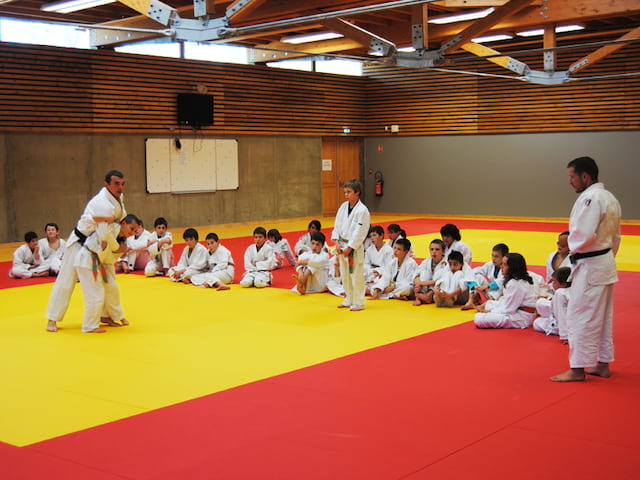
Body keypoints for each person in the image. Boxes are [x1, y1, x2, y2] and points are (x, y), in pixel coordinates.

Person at [551, 156, 621, 382]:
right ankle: (602, 364)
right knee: (602, 316)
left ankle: (577, 369)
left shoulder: (590, 198)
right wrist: (606, 257)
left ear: (585, 176)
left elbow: (583, 234)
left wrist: (570, 249)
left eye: (572, 177)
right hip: (604, 262)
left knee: (579, 314)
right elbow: (616, 236)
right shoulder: (610, 197)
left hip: (590, 265)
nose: (570, 181)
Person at [46, 170, 126, 333]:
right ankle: (52, 319)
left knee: (107, 280)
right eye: (116, 183)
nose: (120, 187)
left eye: (122, 183)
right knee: (66, 281)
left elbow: (118, 220)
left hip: (98, 245)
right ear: (106, 184)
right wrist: (117, 247)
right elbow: (104, 232)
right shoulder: (102, 202)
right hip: (80, 244)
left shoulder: (117, 199)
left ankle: (106, 314)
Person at [74, 214, 140, 333]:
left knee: (111, 289)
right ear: (123, 223)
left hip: (101, 263)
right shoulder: (109, 229)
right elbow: (112, 246)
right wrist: (119, 248)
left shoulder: (122, 239)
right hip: (87, 260)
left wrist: (120, 249)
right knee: (95, 293)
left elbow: (111, 257)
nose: (133, 233)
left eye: (135, 231)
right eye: (131, 228)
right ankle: (89, 325)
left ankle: (108, 316)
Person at [331, 179, 371, 311]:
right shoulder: (343, 207)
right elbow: (337, 225)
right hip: (341, 245)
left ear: (357, 192)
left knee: (356, 275)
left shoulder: (362, 211)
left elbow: (360, 232)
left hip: (353, 248)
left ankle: (359, 302)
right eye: (345, 192)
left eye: (349, 192)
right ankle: (348, 298)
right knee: (344, 274)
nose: (346, 195)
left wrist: (350, 247)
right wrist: (336, 242)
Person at [473, 253, 537, 329]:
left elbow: (509, 309)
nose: (501, 266)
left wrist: (491, 311)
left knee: (479, 318)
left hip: (521, 316)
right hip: (517, 310)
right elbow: (508, 303)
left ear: (513, 267)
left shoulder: (514, 283)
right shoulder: (519, 279)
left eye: (504, 264)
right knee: (489, 303)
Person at [461, 243, 509, 310]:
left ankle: (483, 305)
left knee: (502, 287)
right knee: (476, 277)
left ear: (504, 257)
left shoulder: (508, 267)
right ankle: (471, 301)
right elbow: (473, 272)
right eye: (492, 255)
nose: (493, 259)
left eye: (496, 256)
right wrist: (474, 285)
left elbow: (501, 281)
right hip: (490, 292)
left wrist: (486, 286)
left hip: (500, 296)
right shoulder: (490, 264)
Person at [534, 267, 571, 342]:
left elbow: (562, 314)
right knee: (540, 302)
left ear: (563, 284)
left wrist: (565, 336)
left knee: (537, 323)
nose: (552, 285)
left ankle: (560, 330)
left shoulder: (560, 293)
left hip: (566, 325)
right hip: (570, 321)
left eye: (555, 282)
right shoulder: (572, 289)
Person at [413, 239, 448, 306]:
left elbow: (443, 279)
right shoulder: (426, 261)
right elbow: (416, 273)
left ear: (443, 252)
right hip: (424, 287)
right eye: (432, 249)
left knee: (439, 274)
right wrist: (418, 283)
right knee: (424, 273)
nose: (434, 252)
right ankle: (419, 297)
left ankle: (427, 295)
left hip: (436, 290)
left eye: (437, 249)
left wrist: (422, 283)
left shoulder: (447, 263)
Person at [364, 226, 394, 298]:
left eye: (374, 235)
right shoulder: (369, 250)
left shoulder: (388, 250)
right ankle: (373, 289)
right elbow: (366, 264)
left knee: (385, 276)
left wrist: (378, 271)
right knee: (361, 269)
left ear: (381, 235)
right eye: (371, 236)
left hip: (383, 273)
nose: (372, 238)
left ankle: (376, 290)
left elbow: (388, 267)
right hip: (371, 273)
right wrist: (373, 271)